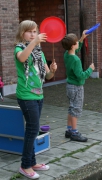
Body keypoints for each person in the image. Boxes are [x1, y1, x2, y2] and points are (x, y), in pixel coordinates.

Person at [14, 20, 57, 179]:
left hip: (39, 95)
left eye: (35, 31)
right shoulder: (19, 48)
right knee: (33, 129)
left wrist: (52, 70)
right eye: (29, 32)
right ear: (22, 33)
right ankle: (25, 166)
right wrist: (35, 41)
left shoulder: (39, 52)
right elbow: (22, 58)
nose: (33, 34)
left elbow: (47, 76)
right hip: (26, 95)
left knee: (32, 130)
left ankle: (31, 162)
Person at [61, 31, 95, 142]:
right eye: (76, 43)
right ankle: (74, 133)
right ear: (72, 45)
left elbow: (76, 49)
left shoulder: (67, 54)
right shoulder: (76, 60)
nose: (77, 44)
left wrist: (81, 39)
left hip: (69, 86)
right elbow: (81, 76)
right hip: (76, 87)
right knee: (75, 109)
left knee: (71, 108)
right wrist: (90, 69)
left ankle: (69, 130)